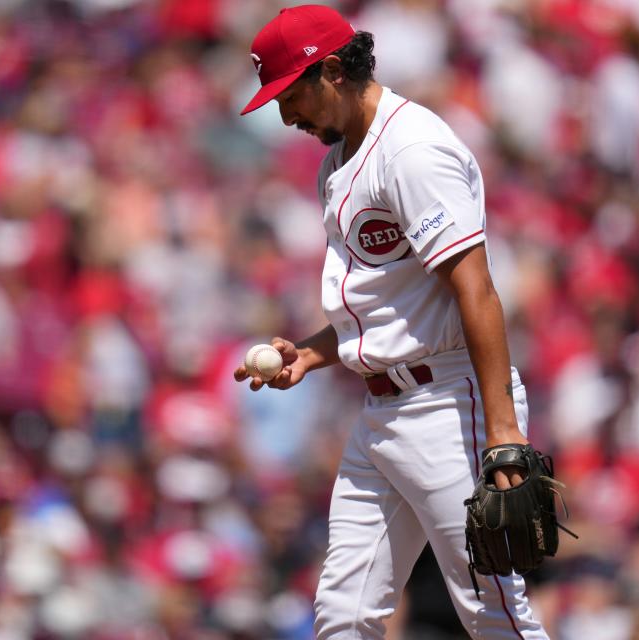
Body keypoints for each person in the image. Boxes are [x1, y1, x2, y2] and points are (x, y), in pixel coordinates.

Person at [234, 5, 549, 639]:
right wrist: (310, 355)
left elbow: (477, 290)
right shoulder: (340, 157)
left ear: (330, 72)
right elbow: (384, 305)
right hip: (382, 413)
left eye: (289, 95)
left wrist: (502, 432)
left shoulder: (412, 150)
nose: (284, 115)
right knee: (344, 615)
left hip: (446, 404)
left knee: (494, 612)